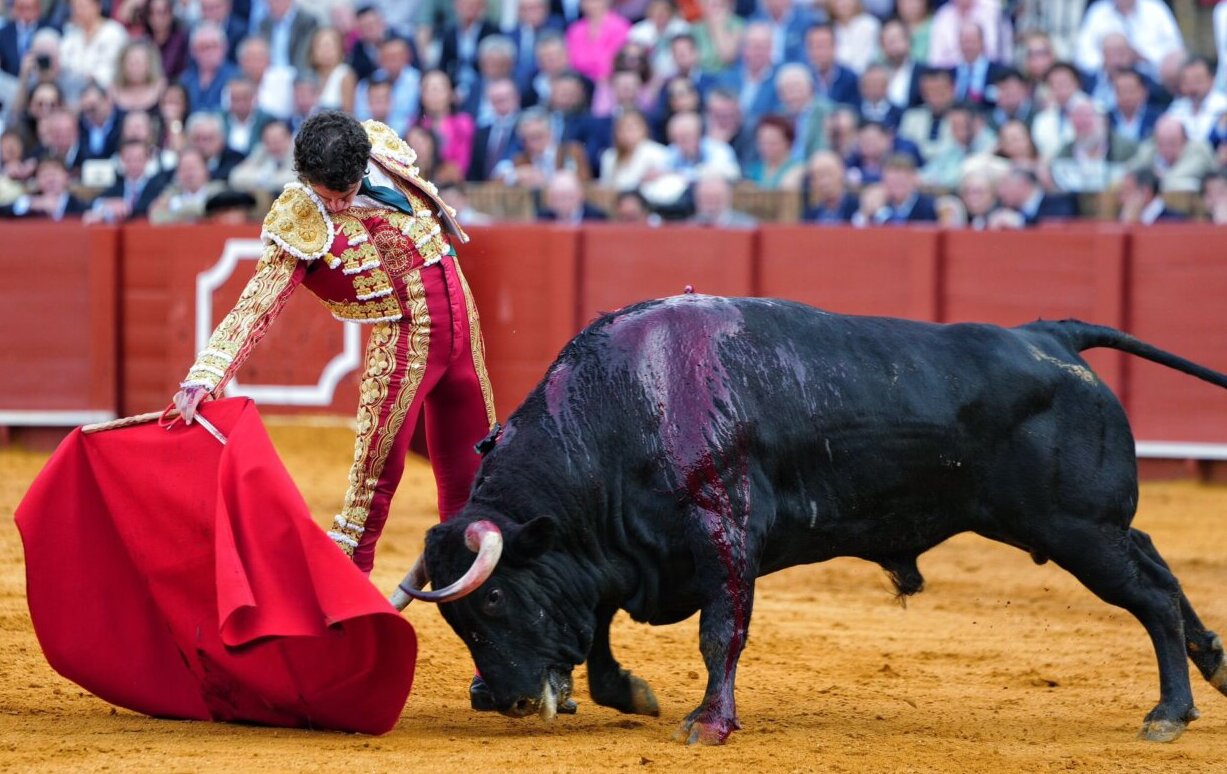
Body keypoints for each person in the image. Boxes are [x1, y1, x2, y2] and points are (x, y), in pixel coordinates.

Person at [172, 110, 497, 584]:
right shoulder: (301, 214)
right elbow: (258, 301)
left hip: (464, 329)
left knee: (478, 482)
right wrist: (206, 375)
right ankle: (341, 618)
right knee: (368, 497)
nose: (340, 206)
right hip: (406, 345)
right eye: (330, 196)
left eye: (347, 193)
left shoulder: (381, 146)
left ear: (364, 164)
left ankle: (491, 641)